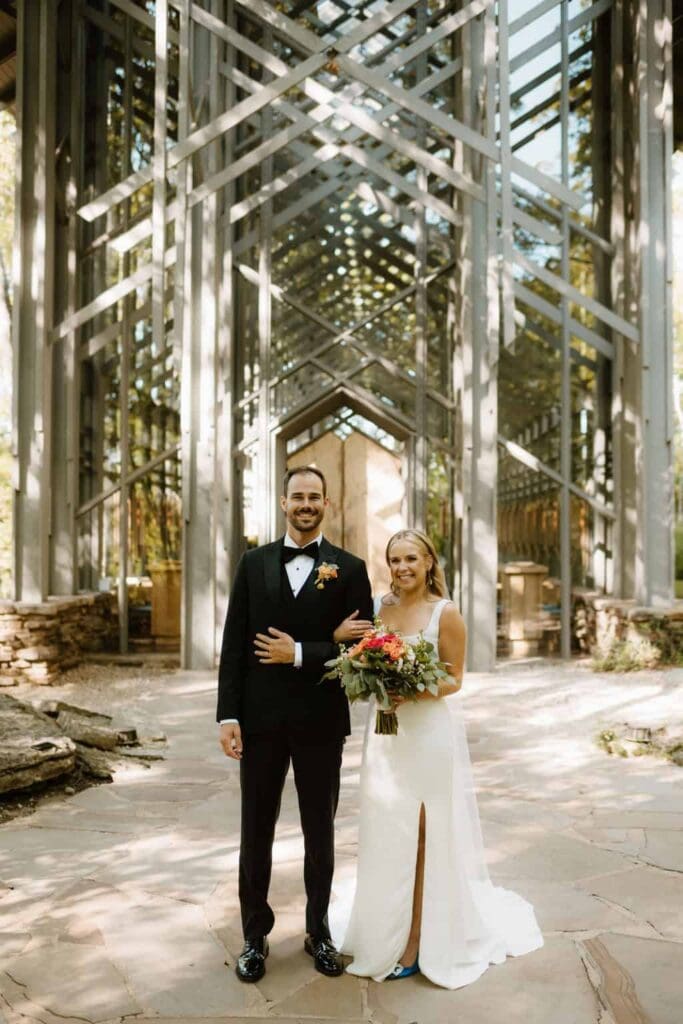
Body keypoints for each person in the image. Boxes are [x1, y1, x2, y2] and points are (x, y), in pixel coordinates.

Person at [334, 528, 543, 989]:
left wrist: (409, 688)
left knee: (425, 833)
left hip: (427, 733)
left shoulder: (445, 613)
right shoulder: (378, 608)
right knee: (387, 829)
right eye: (394, 560)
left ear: (429, 561)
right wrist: (365, 670)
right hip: (385, 734)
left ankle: (415, 940)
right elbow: (352, 653)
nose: (402, 567)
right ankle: (382, 929)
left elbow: (454, 679)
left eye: (411, 558)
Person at [217, 465, 373, 984]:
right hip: (259, 721)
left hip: (320, 721)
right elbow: (235, 643)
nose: (306, 504)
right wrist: (228, 714)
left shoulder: (350, 569)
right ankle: (253, 936)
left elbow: (364, 651)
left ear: (327, 504)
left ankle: (319, 932)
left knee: (320, 833)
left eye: (315, 497)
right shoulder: (253, 563)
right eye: (298, 496)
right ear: (283, 503)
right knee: (255, 832)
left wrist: (303, 651)